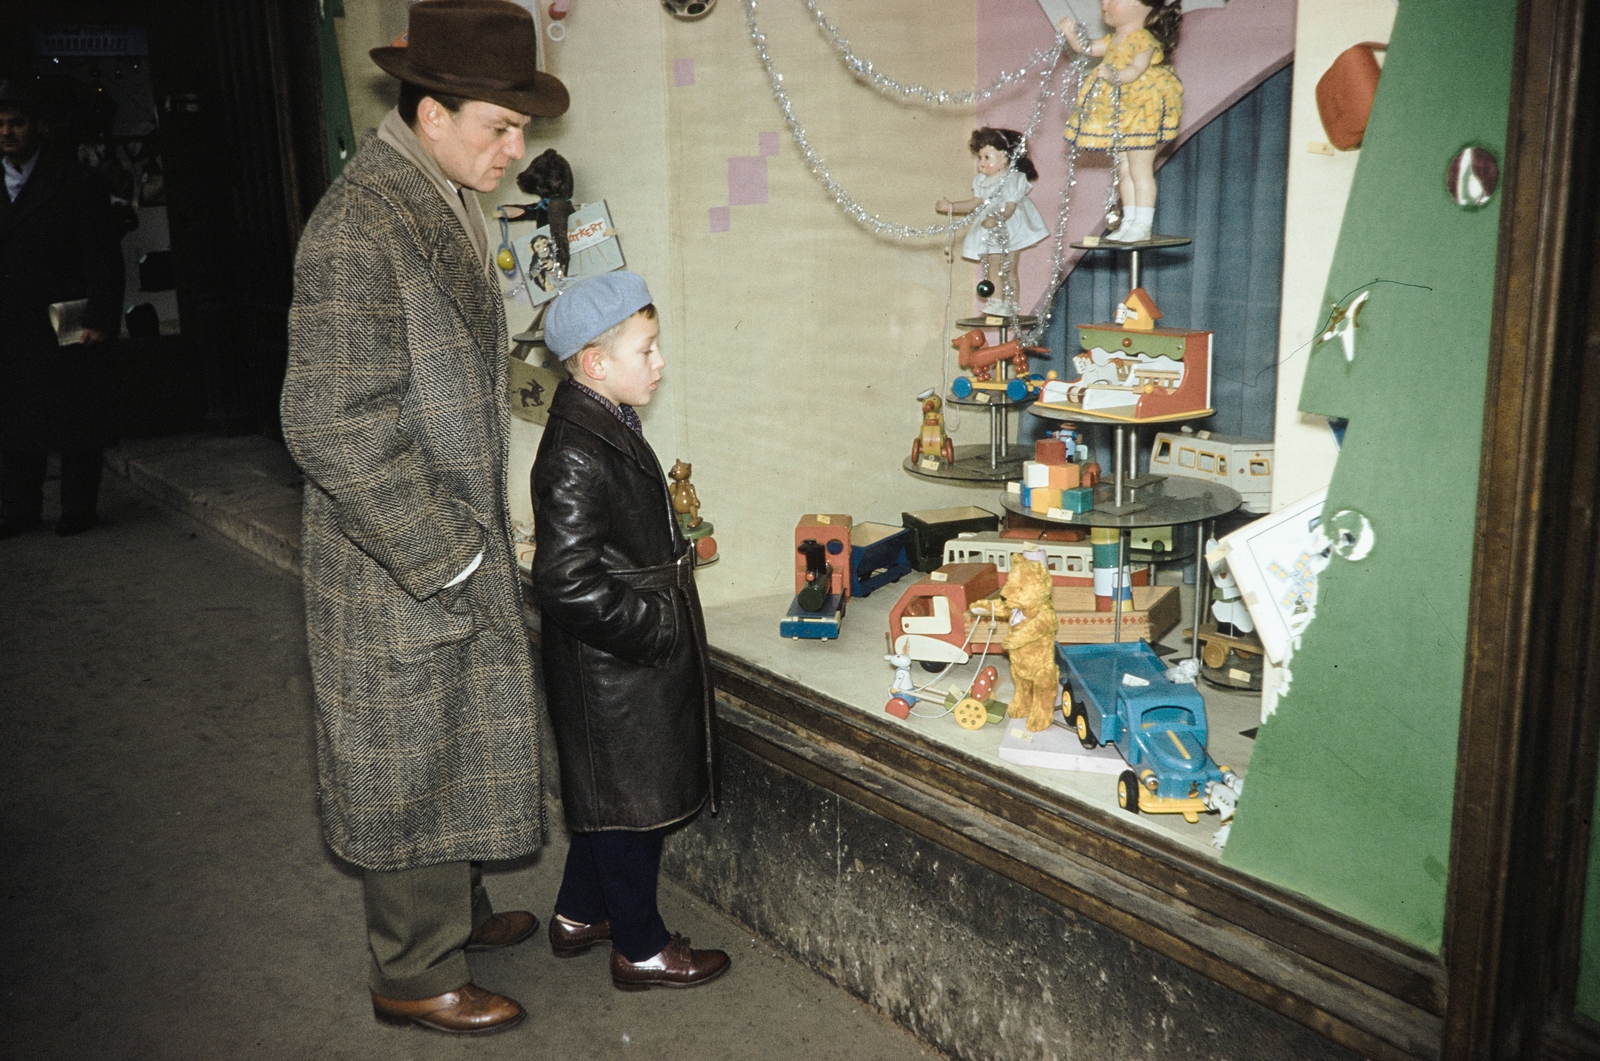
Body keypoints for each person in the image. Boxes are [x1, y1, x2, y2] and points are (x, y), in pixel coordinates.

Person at [278, 0, 568, 1036]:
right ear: (431, 110)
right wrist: (446, 554)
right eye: (498, 125)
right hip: (400, 553)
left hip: (447, 533)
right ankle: (412, 969)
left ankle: (459, 911)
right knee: (411, 749)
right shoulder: (360, 226)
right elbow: (327, 423)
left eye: (520, 127)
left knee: (455, 736)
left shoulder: (431, 189)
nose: (515, 147)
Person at [530, 270, 728, 992]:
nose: (659, 362)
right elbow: (566, 580)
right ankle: (640, 947)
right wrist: (654, 627)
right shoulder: (578, 452)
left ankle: (581, 912)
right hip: (613, 664)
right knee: (628, 810)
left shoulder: (603, 419)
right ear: (595, 362)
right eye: (646, 350)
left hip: (619, 659)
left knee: (613, 792)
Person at [0, 78, 125, 538]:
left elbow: (102, 257)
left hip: (62, 317)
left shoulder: (75, 181)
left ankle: (77, 506)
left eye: (17, 123)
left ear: (37, 128)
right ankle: (18, 508)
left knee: (76, 417)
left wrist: (99, 318)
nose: (7, 132)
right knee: (14, 418)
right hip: (9, 322)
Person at [1059, 0, 1184, 244]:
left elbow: (1136, 70)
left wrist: (1116, 76)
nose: (1104, 3)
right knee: (1124, 169)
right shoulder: (1114, 39)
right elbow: (1087, 48)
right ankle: (1129, 221)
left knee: (1140, 169)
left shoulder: (1143, 39)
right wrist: (1071, 35)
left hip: (1142, 112)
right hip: (1124, 114)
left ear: (1141, 5)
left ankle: (1143, 223)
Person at [936, 127, 1048, 317]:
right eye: (980, 158)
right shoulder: (981, 182)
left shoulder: (1013, 180)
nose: (981, 163)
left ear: (1004, 158)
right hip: (989, 226)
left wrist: (996, 220)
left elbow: (1010, 208)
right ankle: (996, 301)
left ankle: (1011, 304)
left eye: (987, 158)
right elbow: (974, 203)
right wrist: (951, 207)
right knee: (992, 265)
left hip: (1010, 227)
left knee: (1008, 267)